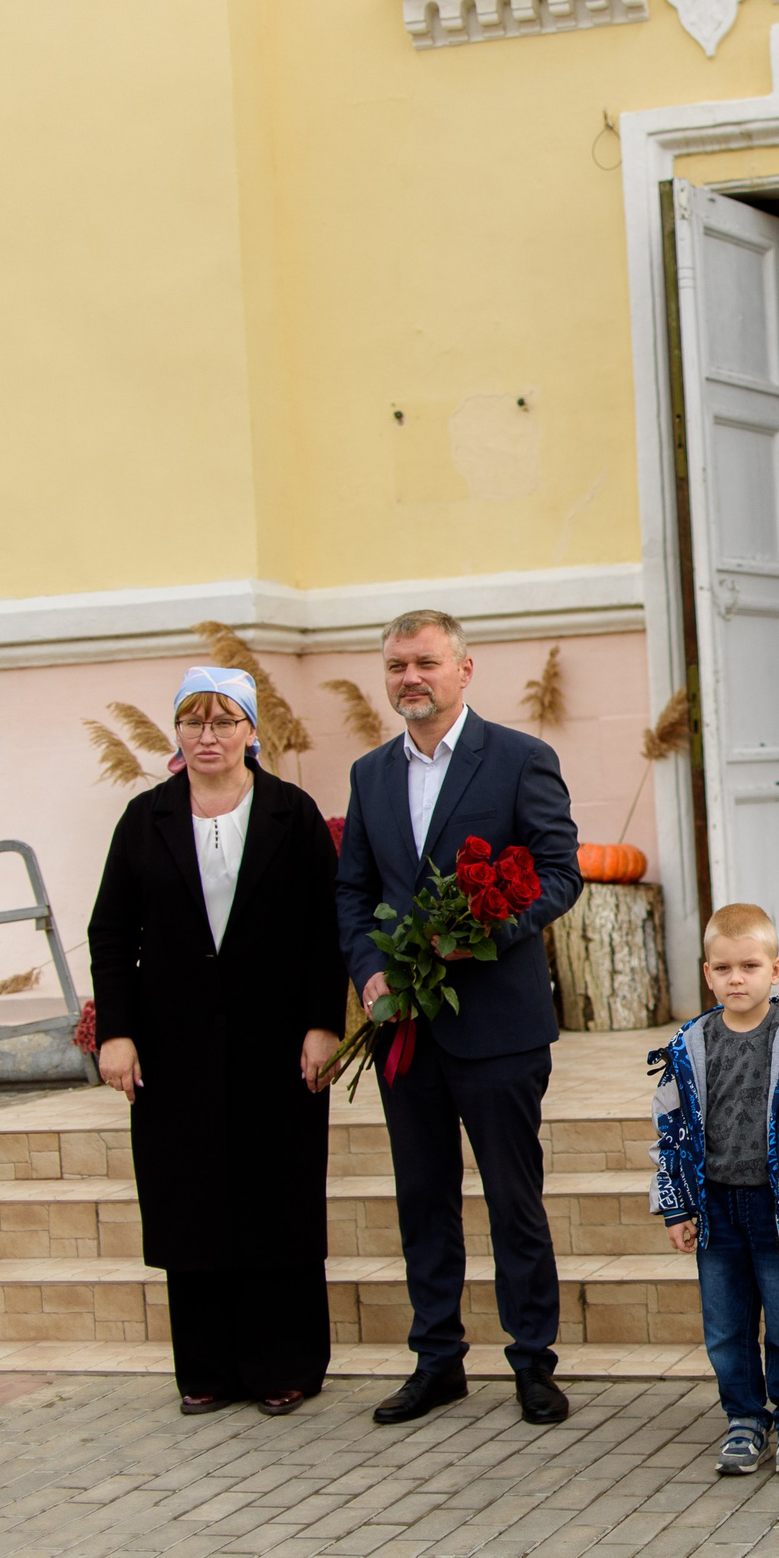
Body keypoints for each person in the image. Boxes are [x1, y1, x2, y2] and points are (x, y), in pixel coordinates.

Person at [335, 610, 585, 1428]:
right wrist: (371, 970)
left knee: (514, 1197)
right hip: (406, 1028)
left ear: (464, 668)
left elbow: (559, 873)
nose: (411, 677)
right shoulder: (370, 774)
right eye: (397, 665)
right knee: (422, 1196)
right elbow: (354, 891)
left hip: (499, 1027)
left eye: (426, 663)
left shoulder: (519, 759)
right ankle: (436, 1359)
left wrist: (480, 931)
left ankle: (533, 1362)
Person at [88, 668, 347, 1413]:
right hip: (174, 1046)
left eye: (225, 720)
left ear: (251, 731)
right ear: (176, 732)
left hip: (279, 1042)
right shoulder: (146, 819)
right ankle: (205, 1368)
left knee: (277, 1194)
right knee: (189, 1196)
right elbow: (111, 931)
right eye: (194, 721)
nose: (209, 735)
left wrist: (323, 1023)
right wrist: (119, 1033)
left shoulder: (291, 815)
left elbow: (325, 928)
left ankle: (284, 1364)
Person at [651, 903, 779, 1478]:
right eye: (723, 968)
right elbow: (669, 1128)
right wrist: (675, 1203)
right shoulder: (689, 1043)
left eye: (749, 966)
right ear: (707, 973)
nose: (736, 979)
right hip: (715, 1207)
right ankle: (744, 1416)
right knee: (726, 1323)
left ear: (776, 969)